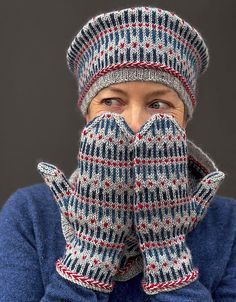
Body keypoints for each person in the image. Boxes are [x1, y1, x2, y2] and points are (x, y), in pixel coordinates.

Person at [0, 6, 236, 302]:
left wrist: (167, 255)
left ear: (184, 120)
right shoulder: (29, 214)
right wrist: (91, 253)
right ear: (88, 115)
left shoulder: (228, 224)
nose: (135, 123)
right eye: (112, 101)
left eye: (159, 105)